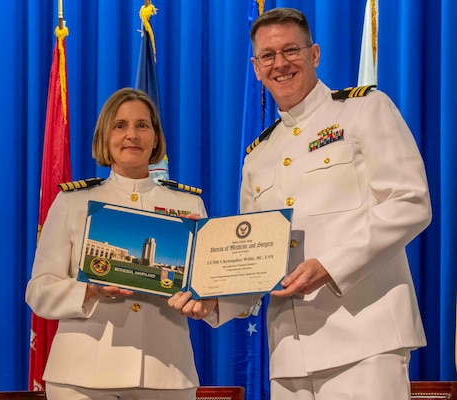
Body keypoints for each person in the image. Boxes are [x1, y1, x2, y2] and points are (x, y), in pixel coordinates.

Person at [168, 7, 432, 400]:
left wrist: (330, 266)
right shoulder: (258, 155)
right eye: (268, 56)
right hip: (288, 354)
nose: (281, 64)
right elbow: (255, 256)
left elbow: (411, 202)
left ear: (315, 54)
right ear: (256, 68)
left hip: (365, 339)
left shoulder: (364, 109)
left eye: (291, 50)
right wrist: (213, 300)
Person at [26, 88, 209, 400]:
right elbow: (39, 290)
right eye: (120, 125)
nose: (132, 135)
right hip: (80, 377)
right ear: (104, 136)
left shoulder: (188, 203)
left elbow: (206, 286)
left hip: (165, 374)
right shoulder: (73, 201)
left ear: (155, 137)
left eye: (142, 125)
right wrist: (89, 290)